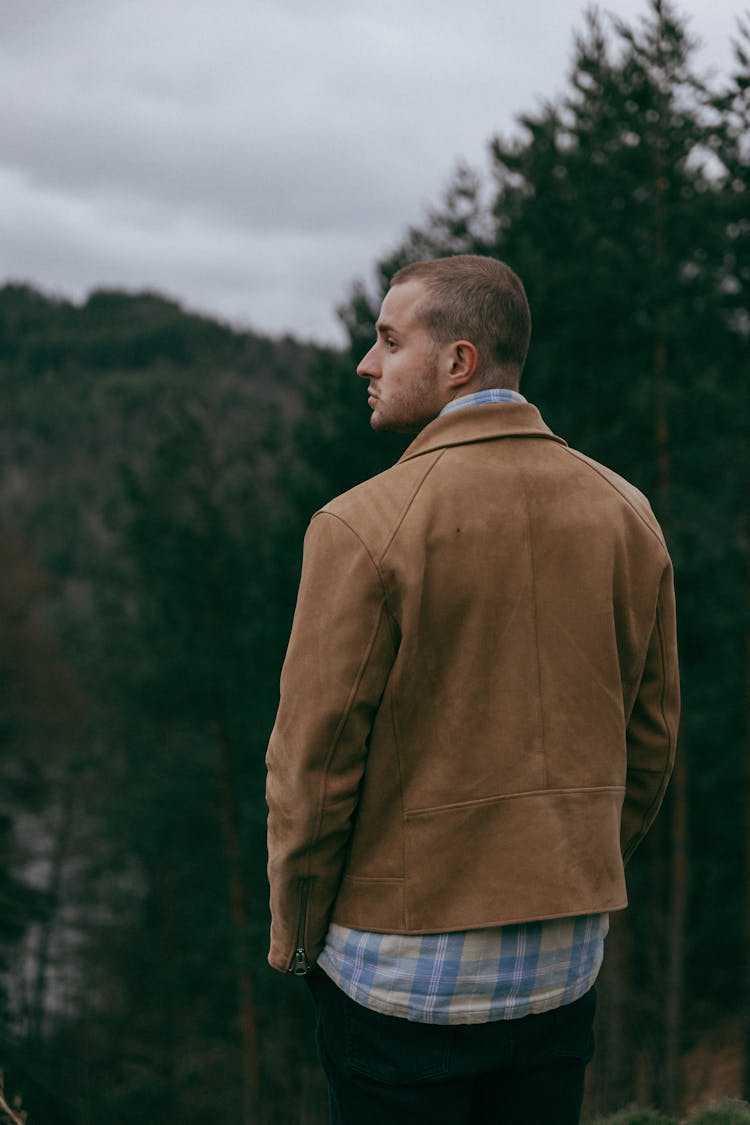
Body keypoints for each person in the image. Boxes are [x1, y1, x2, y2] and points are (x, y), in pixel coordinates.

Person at [265, 254, 679, 1124]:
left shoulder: (361, 526)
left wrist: (300, 939)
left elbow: (314, 767)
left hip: (399, 980)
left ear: (458, 361)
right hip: (564, 960)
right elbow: (651, 737)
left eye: (387, 339)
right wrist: (572, 866)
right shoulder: (627, 511)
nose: (364, 364)